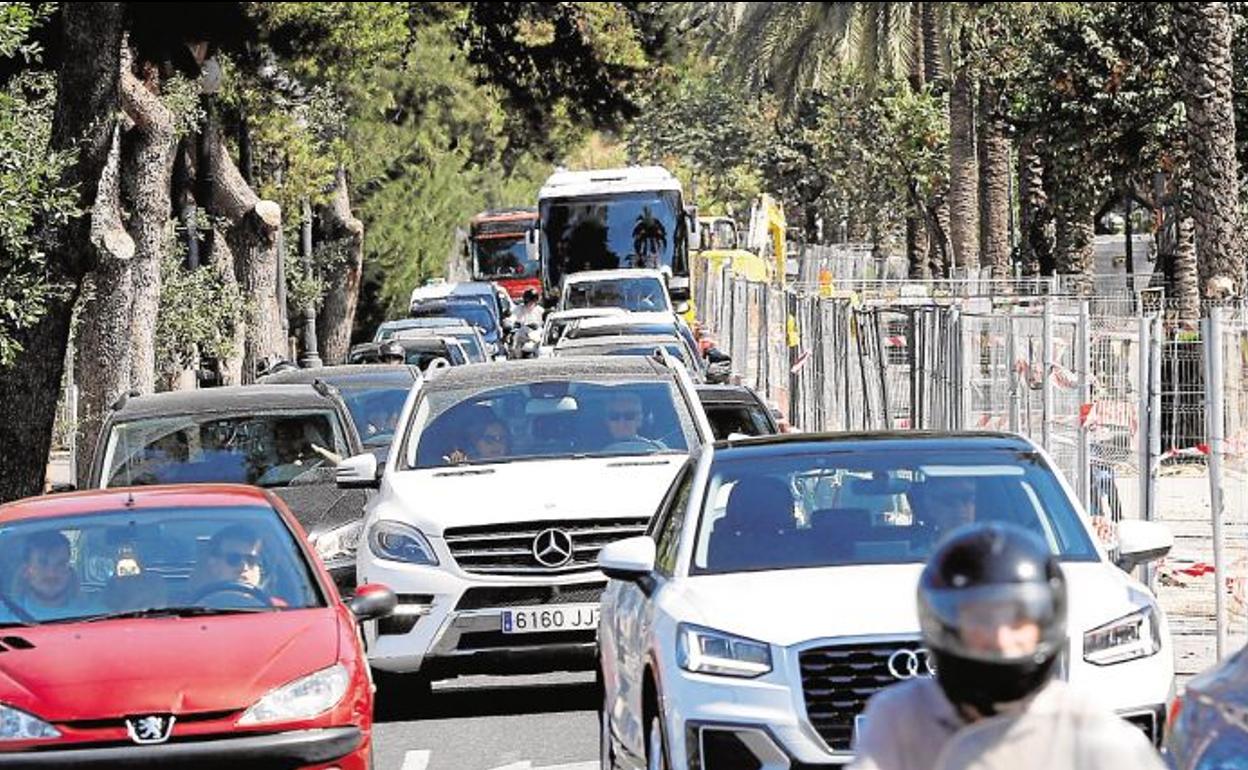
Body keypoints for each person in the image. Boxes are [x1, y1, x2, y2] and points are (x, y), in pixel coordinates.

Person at [849, 523, 1165, 770]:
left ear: (1046, 623)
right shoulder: (903, 715)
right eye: (981, 620)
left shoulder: (1085, 725)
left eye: (1018, 621)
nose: (1000, 638)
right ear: (946, 625)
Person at [12, 531, 101, 619]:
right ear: (26, 570)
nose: (51, 573)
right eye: (43, 563)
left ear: (69, 572)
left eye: (61, 564)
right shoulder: (6, 617)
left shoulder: (98, 617)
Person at [192, 524, 265, 595]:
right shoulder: (187, 605)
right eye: (234, 558)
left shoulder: (274, 606)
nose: (244, 567)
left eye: (251, 560)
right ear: (214, 564)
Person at [446, 412, 511, 464]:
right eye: (489, 439)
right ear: (474, 441)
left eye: (501, 438)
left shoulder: (517, 464)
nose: (496, 444)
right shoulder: (462, 468)